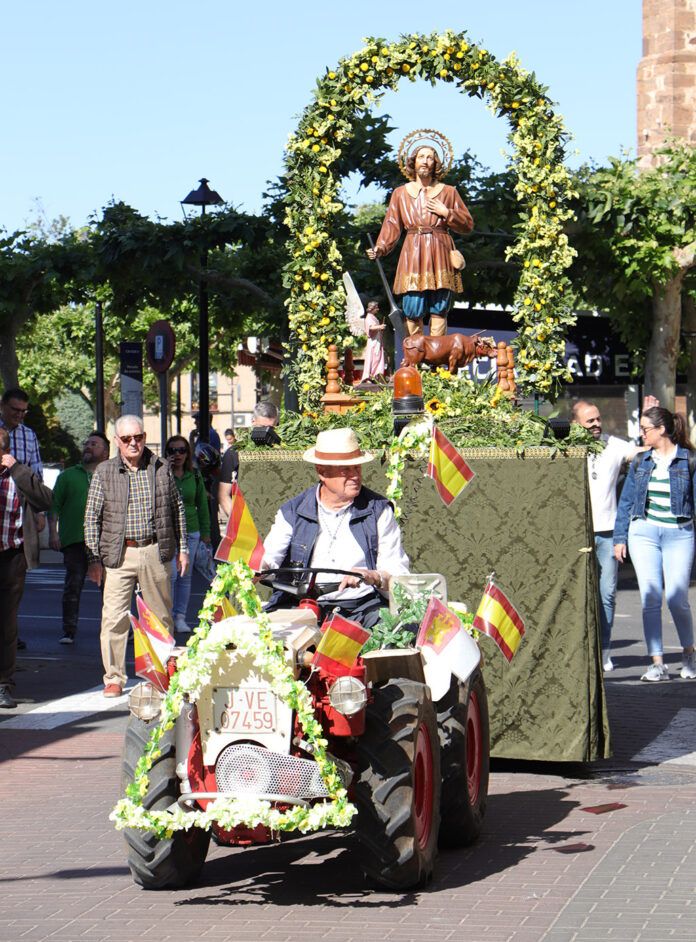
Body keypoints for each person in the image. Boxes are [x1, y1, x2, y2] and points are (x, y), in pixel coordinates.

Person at [261, 427, 410, 629]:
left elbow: (398, 574)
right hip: (303, 606)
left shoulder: (379, 511)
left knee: (391, 634)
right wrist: (256, 570)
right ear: (322, 472)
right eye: (345, 470)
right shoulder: (292, 512)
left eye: (357, 468)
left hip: (362, 609)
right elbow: (268, 559)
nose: (355, 475)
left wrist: (374, 576)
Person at [84, 415, 188, 698]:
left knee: (160, 617)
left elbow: (177, 509)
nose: (133, 444)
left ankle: (160, 671)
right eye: (127, 439)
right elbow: (91, 517)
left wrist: (183, 549)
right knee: (114, 618)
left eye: (138, 438)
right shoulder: (104, 472)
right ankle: (114, 677)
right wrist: (94, 559)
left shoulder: (161, 467)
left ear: (144, 437)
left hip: (156, 549)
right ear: (116, 441)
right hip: (119, 554)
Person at [613, 407, 696, 682]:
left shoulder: (689, 460)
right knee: (650, 598)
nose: (642, 433)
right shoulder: (640, 461)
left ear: (661, 430)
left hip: (679, 534)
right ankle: (657, 663)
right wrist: (620, 538)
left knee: (677, 599)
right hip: (643, 533)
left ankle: (688, 654)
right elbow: (626, 502)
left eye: (645, 428)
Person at [366, 133, 473, 338]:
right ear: (413, 162)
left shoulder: (449, 192)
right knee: (413, 305)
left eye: (430, 157)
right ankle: (415, 356)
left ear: (436, 164)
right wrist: (380, 247)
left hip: (440, 248)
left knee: (439, 304)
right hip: (413, 251)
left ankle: (436, 355)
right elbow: (391, 224)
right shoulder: (400, 193)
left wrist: (447, 213)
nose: (425, 161)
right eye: (421, 156)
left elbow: (467, 224)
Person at [571, 400, 646, 672]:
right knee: (578, 595)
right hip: (575, 533)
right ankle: (580, 651)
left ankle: (604, 650)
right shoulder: (566, 447)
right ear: (575, 423)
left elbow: (642, 452)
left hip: (608, 533)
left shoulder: (613, 444)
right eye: (589, 421)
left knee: (607, 594)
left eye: (598, 419)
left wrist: (653, 426)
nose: (596, 424)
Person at [0, 428, 52, 708]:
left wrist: (17, 469)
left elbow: (46, 499)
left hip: (12, 557)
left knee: (7, 624)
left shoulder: (19, 474)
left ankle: (4, 684)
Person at [49, 431, 110, 644]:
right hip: (74, 540)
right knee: (73, 586)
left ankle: (116, 631)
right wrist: (53, 532)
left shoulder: (112, 476)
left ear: (105, 452)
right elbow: (54, 506)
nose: (88, 446)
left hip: (105, 543)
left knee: (111, 590)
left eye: (94, 444)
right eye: (86, 443)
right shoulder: (67, 476)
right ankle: (69, 630)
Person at [165, 434, 211, 633]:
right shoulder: (161, 473)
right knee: (171, 575)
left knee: (185, 575)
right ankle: (167, 616)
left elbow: (202, 505)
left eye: (181, 450)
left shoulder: (195, 475)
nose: (177, 454)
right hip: (168, 531)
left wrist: (206, 533)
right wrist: (165, 468)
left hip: (191, 531)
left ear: (187, 453)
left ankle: (180, 617)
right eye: (173, 451)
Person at [218, 401, 280, 517]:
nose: (267, 433)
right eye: (262, 428)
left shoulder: (284, 452)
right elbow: (223, 495)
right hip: (245, 521)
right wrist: (238, 522)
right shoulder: (233, 453)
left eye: (271, 428)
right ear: (253, 422)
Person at [0, 387, 43, 477]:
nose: (19, 414)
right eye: (15, 409)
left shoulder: (29, 435)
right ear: (2, 405)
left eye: (23, 411)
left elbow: (36, 473)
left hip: (19, 490)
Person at [361, 299, 386, 381]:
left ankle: (376, 375)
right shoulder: (368, 317)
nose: (378, 309)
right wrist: (380, 327)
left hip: (377, 341)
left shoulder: (373, 317)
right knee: (373, 358)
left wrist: (380, 328)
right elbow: (370, 328)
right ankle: (369, 375)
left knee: (377, 357)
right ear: (372, 308)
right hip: (373, 342)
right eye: (376, 308)